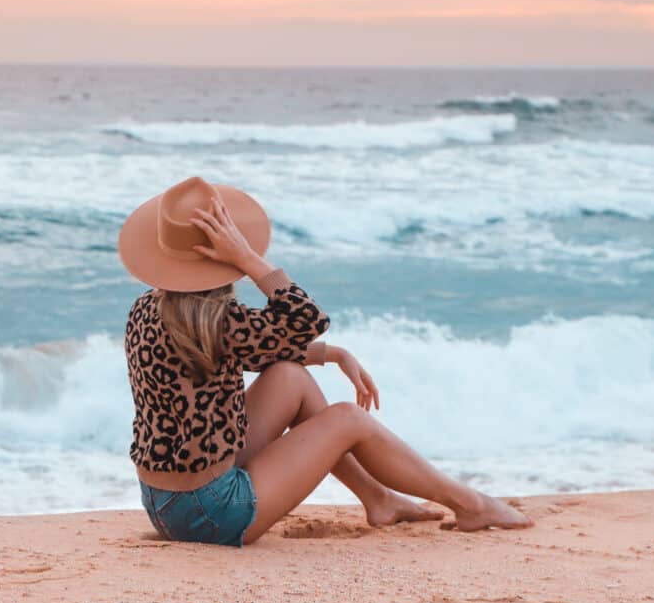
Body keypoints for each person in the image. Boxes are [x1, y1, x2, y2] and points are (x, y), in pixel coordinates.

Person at [118, 176, 533, 548]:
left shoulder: (147, 310)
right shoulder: (225, 322)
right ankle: (471, 503)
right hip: (213, 514)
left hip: (161, 502)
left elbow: (260, 346)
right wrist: (249, 259)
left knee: (289, 377)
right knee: (349, 419)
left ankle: (378, 498)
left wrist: (331, 355)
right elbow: (307, 319)